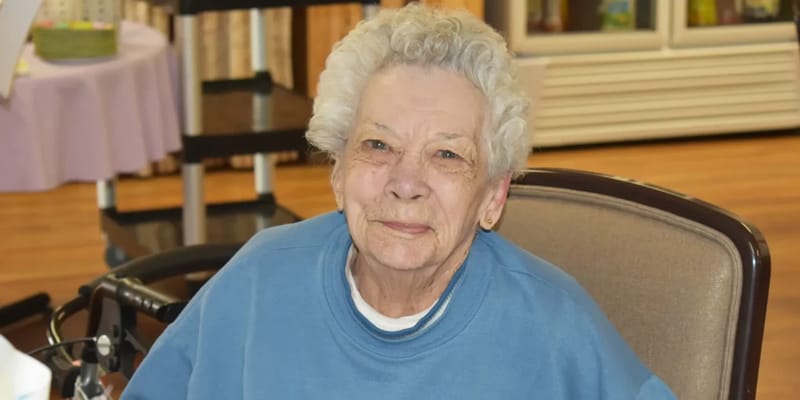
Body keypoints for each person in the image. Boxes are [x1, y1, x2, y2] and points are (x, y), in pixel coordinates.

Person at [122, 4, 675, 399]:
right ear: (338, 173)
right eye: (378, 145)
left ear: (494, 197)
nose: (405, 182)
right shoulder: (257, 281)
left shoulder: (556, 327)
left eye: (447, 156)